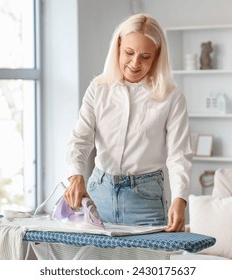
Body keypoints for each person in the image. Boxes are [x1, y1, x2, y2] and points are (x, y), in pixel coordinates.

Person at [64, 13, 193, 232]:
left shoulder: (171, 97)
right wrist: (76, 176)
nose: (135, 63)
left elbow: (178, 155)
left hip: (145, 200)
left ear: (156, 57)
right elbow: (80, 139)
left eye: (145, 56)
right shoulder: (98, 89)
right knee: (95, 266)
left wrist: (180, 199)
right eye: (129, 53)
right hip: (98, 195)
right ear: (118, 47)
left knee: (146, 266)